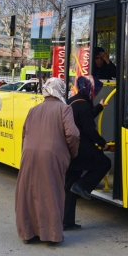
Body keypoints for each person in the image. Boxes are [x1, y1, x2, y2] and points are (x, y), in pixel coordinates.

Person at [15, 78, 80, 244]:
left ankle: (29, 233)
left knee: (29, 192)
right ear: (61, 91)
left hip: (29, 154)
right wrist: (72, 153)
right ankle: (51, 235)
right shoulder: (65, 109)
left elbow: (24, 132)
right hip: (52, 156)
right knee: (51, 192)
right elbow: (72, 134)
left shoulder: (33, 109)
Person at [63, 75, 112, 231]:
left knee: (69, 185)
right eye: (95, 90)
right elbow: (89, 129)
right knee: (104, 163)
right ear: (90, 89)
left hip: (69, 149)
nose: (96, 93)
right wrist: (102, 143)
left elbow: (84, 117)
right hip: (82, 149)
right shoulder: (84, 105)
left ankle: (67, 221)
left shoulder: (72, 101)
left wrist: (99, 107)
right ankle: (83, 186)